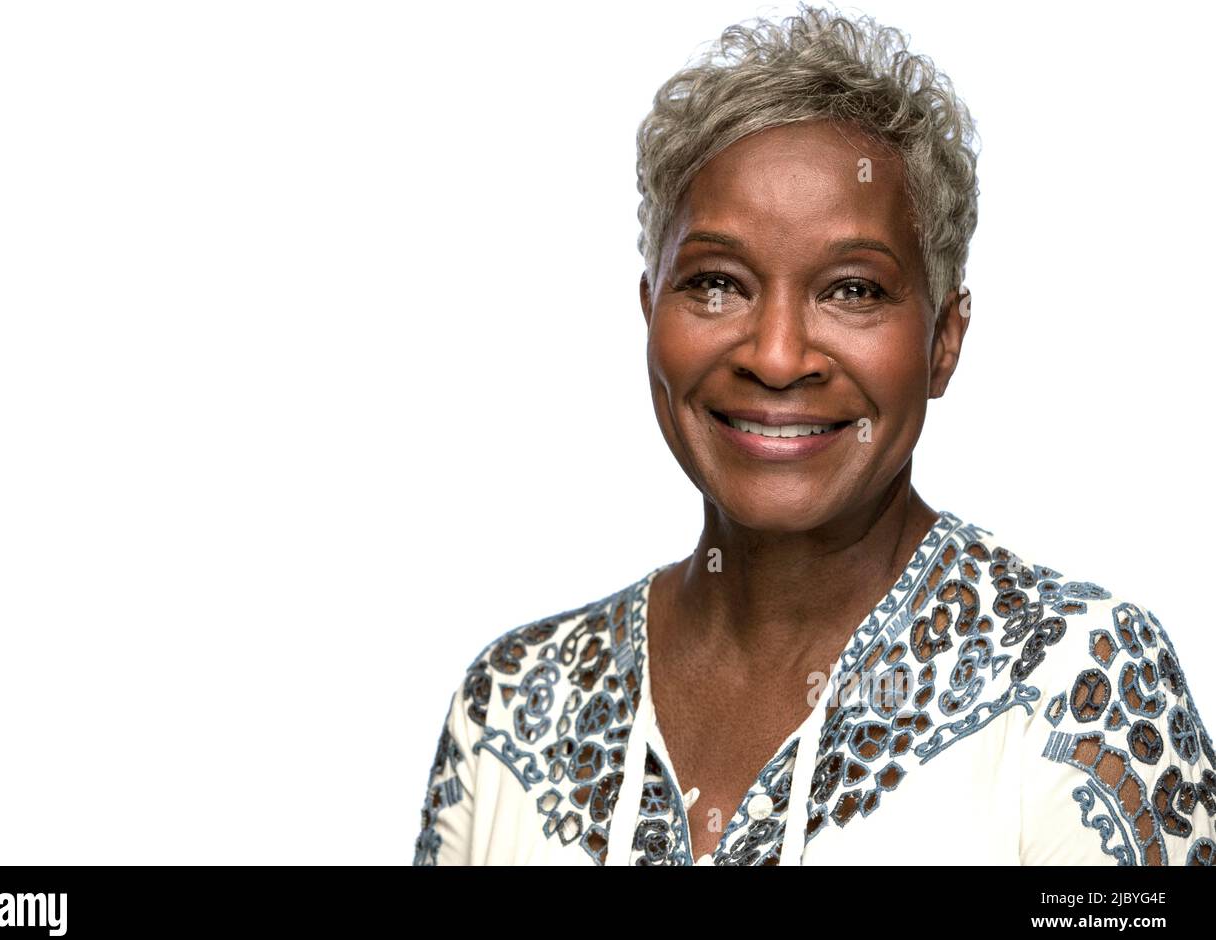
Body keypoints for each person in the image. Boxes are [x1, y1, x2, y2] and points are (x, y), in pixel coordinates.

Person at [411, 4, 1216, 866]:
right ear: (650, 311)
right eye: (717, 282)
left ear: (944, 341)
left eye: (854, 290)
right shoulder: (509, 708)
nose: (777, 356)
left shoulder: (1077, 690)